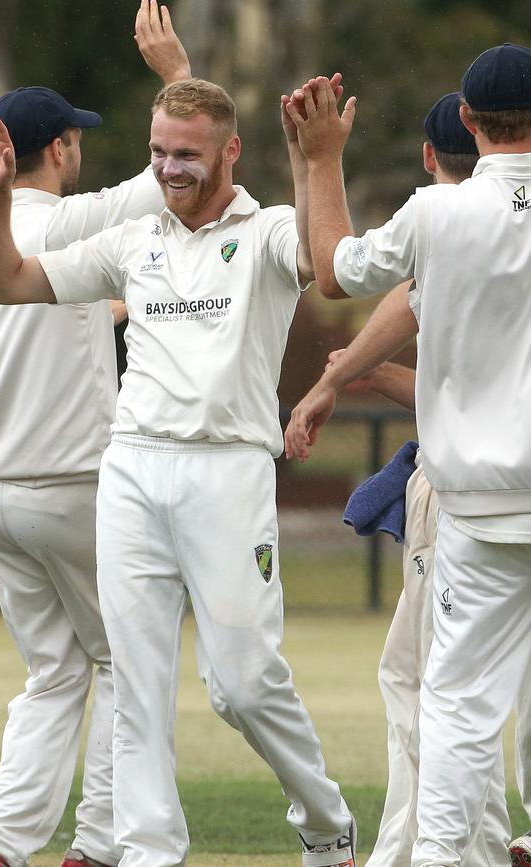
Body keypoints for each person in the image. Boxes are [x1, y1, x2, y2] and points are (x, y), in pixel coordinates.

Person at [0, 73, 357, 867]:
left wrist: (320, 160)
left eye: (187, 154)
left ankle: (325, 819)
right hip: (133, 472)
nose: (170, 169)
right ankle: (148, 851)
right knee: (136, 683)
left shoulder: (268, 230)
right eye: (158, 153)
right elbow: (1, 282)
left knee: (240, 685)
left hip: (228, 473)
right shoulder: (132, 238)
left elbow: (335, 269)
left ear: (230, 151)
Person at [0, 4, 191, 867]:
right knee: (129, 663)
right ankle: (95, 847)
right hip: (69, 483)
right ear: (60, 150)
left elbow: (39, 310)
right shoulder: (72, 221)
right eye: (76, 139)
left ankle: (1, 846)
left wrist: (111, 307)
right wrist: (175, 77)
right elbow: (175, 176)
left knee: (52, 675)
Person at [284, 44, 531, 867]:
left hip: (481, 503)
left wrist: (322, 160)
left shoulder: (437, 213)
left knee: (456, 700)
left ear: (466, 120)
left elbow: (335, 272)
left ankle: (439, 855)